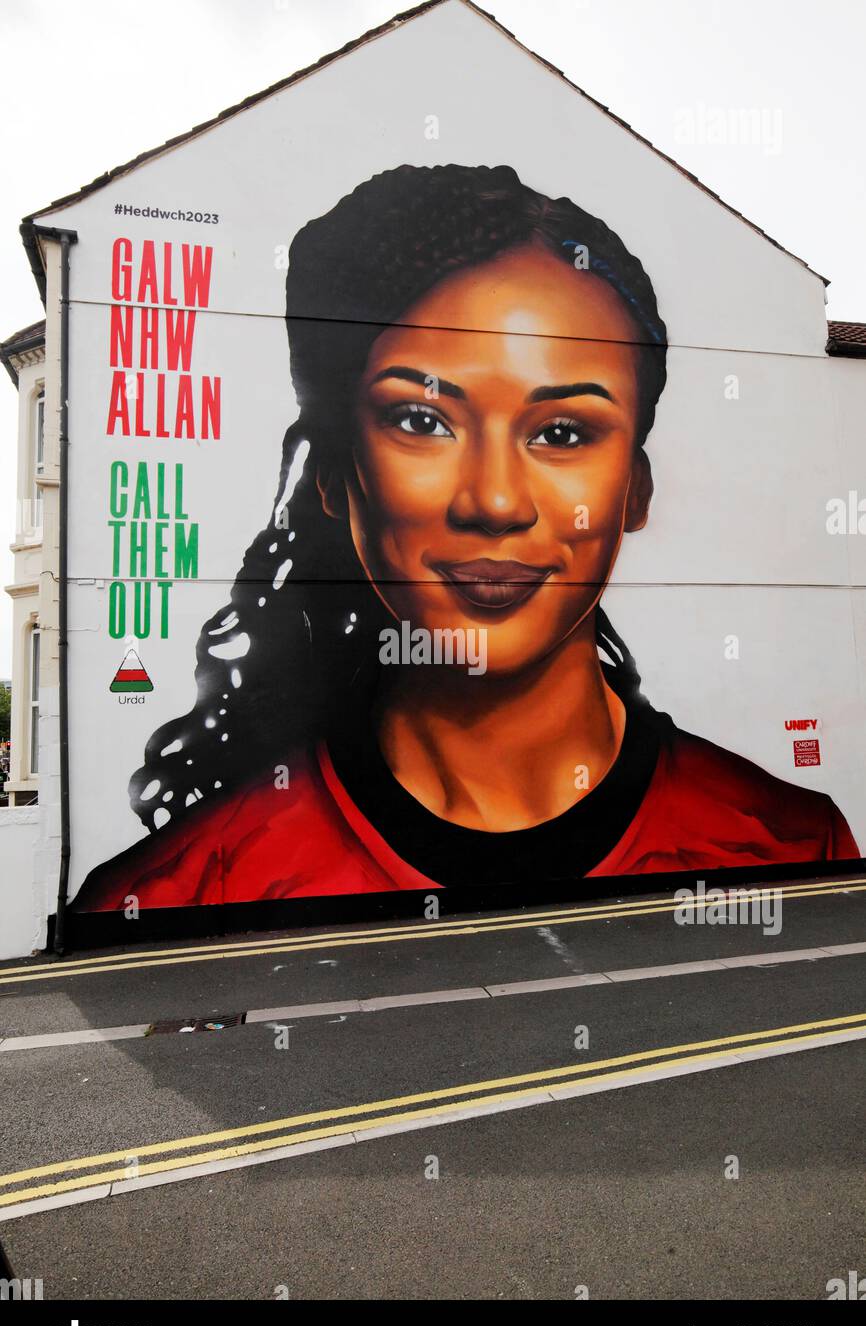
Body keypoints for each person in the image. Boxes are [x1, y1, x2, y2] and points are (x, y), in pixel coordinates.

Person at [74, 164, 858, 911]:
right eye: (422, 421)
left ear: (636, 491)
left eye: (560, 431)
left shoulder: (790, 841)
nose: (494, 501)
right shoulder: (184, 888)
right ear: (337, 479)